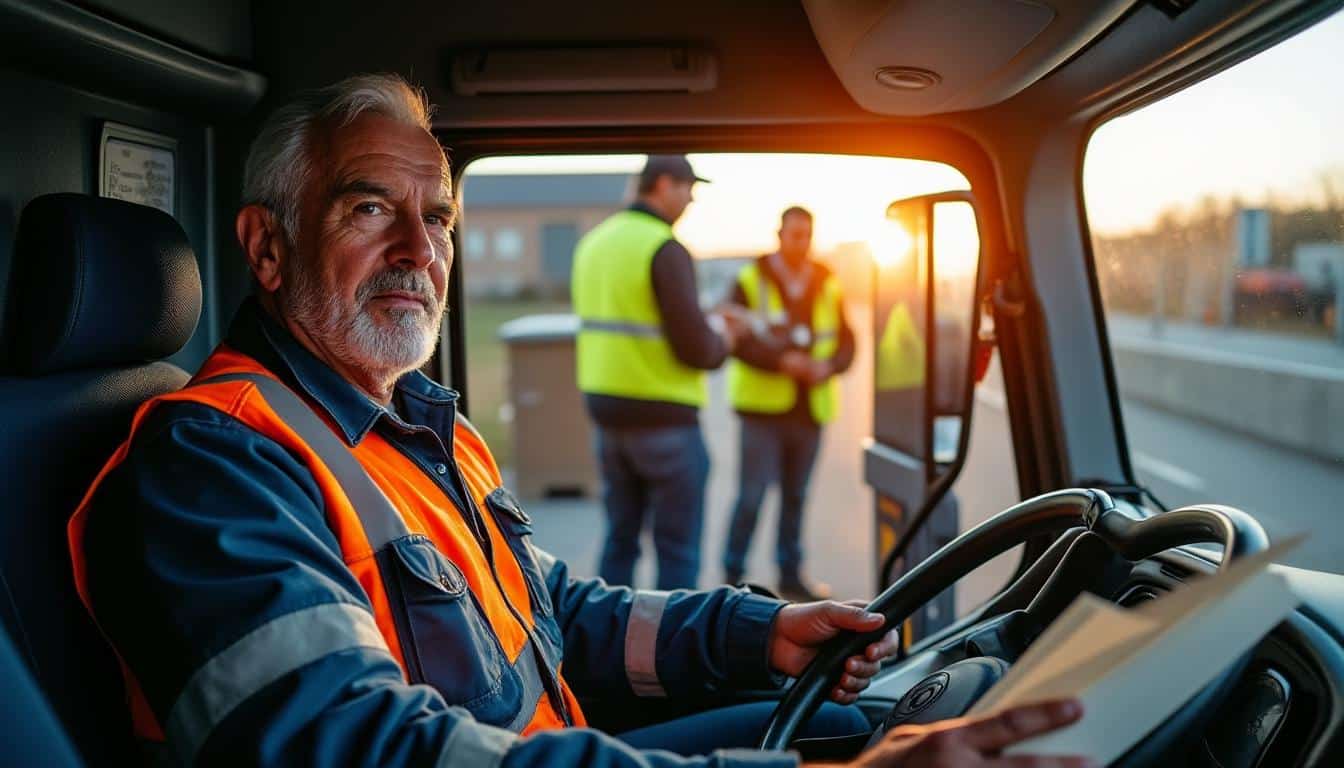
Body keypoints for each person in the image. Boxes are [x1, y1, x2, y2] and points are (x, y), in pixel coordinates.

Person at [67, 74, 1092, 768]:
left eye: (441, 221)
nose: (420, 250)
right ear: (268, 247)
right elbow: (354, 745)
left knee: (866, 717)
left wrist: (755, 633)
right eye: (370, 209)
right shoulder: (213, 462)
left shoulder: (418, 429)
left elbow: (549, 610)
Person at [572, 154, 744, 590]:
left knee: (620, 541)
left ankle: (607, 647)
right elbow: (697, 349)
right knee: (678, 552)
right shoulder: (664, 247)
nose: (691, 201)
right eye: (689, 189)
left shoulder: (594, 243)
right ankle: (672, 653)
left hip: (608, 418)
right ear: (664, 185)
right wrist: (726, 337)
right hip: (665, 421)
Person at [722, 207, 854, 601]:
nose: (802, 243)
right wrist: (782, 362)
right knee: (751, 497)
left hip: (809, 410)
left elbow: (848, 340)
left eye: (807, 235)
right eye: (795, 235)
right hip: (762, 411)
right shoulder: (750, 280)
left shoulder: (827, 281)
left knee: (796, 498)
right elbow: (737, 341)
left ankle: (791, 577)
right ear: (780, 234)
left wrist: (828, 366)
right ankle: (733, 579)